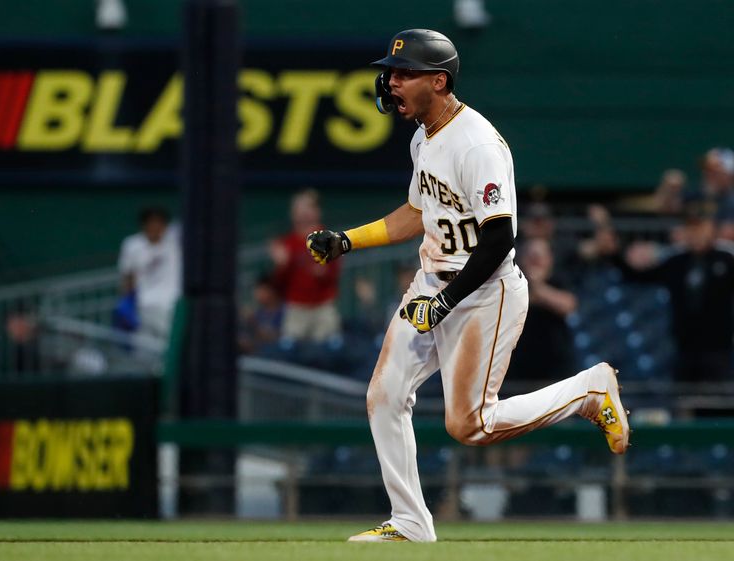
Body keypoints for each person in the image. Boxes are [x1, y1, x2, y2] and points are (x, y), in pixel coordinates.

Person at [305, 29, 629, 543]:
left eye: (403, 74)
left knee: (470, 425)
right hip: (433, 279)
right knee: (384, 395)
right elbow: (417, 212)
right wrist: (348, 241)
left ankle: (587, 392)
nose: (390, 82)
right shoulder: (423, 136)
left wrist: (445, 302)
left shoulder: (476, 143)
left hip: (483, 292)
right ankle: (410, 522)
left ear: (438, 81)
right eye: (391, 72)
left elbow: (500, 237)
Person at [609, 204, 734, 384]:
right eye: (691, 227)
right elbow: (639, 277)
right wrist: (614, 254)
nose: (696, 233)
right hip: (684, 347)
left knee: (718, 401)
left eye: (700, 227)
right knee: (684, 398)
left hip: (718, 347)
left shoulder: (726, 259)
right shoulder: (676, 261)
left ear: (711, 229)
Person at [270, 189, 342, 342]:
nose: (303, 213)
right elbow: (279, 283)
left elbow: (334, 274)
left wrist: (325, 271)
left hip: (323, 305)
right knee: (289, 348)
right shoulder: (287, 242)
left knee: (328, 348)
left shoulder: (328, 237)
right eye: (298, 209)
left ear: (316, 211)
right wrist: (282, 265)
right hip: (296, 307)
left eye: (307, 208)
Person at [506, 239, 578, 384]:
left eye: (539, 257)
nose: (535, 262)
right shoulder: (511, 282)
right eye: (531, 257)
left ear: (550, 259)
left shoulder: (560, 280)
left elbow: (569, 305)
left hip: (555, 366)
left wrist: (538, 287)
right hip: (518, 366)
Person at [117, 206, 181, 340]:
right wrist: (127, 302)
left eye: (159, 223)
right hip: (145, 305)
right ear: (144, 225)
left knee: (172, 342)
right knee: (148, 349)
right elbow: (127, 277)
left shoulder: (173, 240)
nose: (155, 227)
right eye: (151, 222)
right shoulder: (132, 245)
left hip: (172, 304)